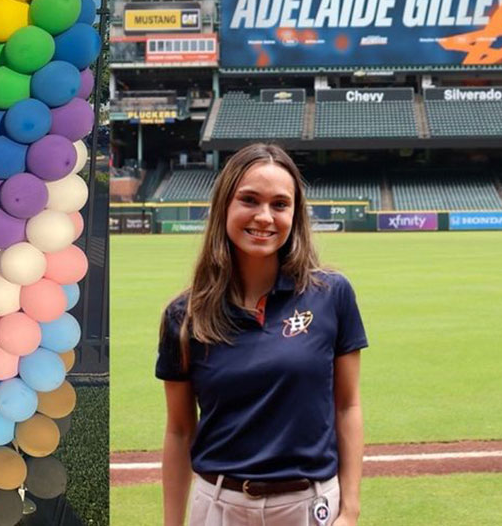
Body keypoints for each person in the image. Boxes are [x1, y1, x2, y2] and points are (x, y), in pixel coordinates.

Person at [157, 143, 367, 526]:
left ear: (295, 214)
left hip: (310, 505)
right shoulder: (184, 316)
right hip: (219, 507)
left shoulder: (332, 294)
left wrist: (349, 510)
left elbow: (347, 405)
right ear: (224, 205)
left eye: (280, 204)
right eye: (249, 200)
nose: (264, 217)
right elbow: (180, 430)